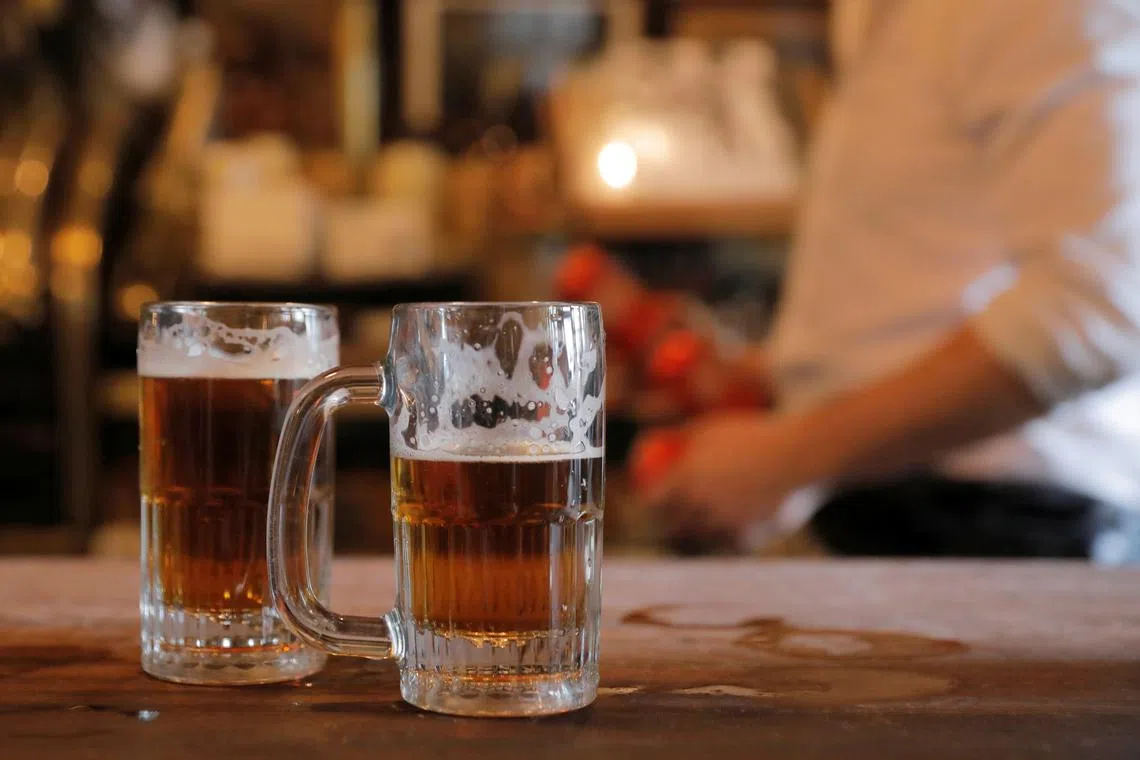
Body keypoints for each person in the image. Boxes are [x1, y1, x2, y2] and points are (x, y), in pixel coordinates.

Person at [639, 0, 1140, 561]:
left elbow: (1106, 304)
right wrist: (777, 375)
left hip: (1010, 524)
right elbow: (923, 271)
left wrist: (788, 456)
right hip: (918, 511)